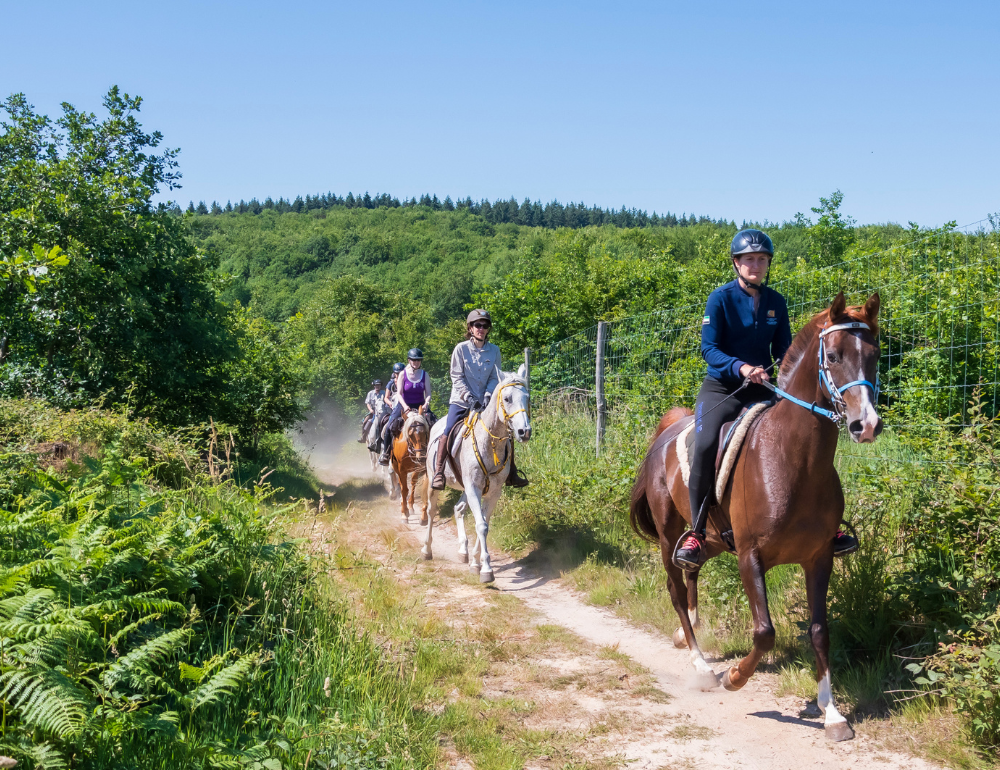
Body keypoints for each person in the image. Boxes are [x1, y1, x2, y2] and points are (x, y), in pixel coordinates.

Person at [673, 229, 858, 571]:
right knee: (703, 444)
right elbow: (709, 350)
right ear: (736, 264)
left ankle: (827, 527)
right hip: (723, 387)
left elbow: (787, 351)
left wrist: (782, 378)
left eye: (762, 260)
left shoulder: (776, 302)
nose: (756, 265)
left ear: (768, 264)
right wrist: (741, 367)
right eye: (749, 260)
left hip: (764, 387)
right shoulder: (720, 299)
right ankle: (697, 533)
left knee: (806, 439)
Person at [430, 309, 528, 491]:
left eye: (485, 326)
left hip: (486, 402)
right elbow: (456, 376)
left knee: (506, 431)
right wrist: (468, 396)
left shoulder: (495, 351)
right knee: (449, 429)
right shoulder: (461, 349)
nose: (481, 329)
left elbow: (494, 377)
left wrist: (488, 396)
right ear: (470, 328)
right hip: (461, 400)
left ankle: (511, 472)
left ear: (488, 329)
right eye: (477, 325)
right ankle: (438, 472)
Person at [379, 350, 432, 465]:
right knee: (390, 425)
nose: (417, 362)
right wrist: (405, 406)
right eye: (414, 360)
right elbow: (399, 393)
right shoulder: (403, 374)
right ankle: (386, 453)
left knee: (434, 423)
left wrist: (426, 403)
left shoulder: (424, 374)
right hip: (404, 405)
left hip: (420, 406)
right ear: (409, 360)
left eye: (419, 360)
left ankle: (433, 453)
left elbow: (428, 393)